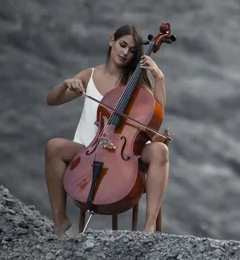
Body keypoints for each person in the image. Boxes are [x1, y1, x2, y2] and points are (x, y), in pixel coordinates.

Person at [44, 24, 170, 238]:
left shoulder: (136, 84)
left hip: (125, 153)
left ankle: (149, 228)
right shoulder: (90, 75)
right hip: (88, 149)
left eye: (131, 51)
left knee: (160, 151)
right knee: (53, 147)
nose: (125, 53)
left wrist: (159, 77)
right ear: (112, 41)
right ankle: (60, 220)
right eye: (122, 45)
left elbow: (158, 110)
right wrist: (66, 85)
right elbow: (51, 101)